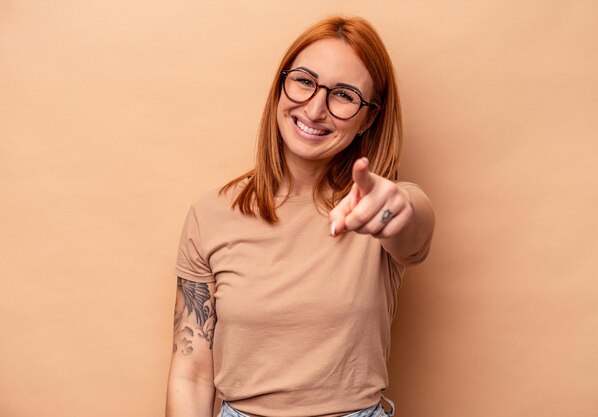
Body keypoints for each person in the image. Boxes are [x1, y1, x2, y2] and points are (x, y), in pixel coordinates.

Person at [166, 15, 435, 417]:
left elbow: (412, 230)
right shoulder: (211, 215)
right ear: (281, 86)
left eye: (343, 95)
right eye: (305, 81)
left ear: (369, 118)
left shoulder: (379, 206)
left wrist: (396, 211)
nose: (314, 108)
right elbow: (191, 372)